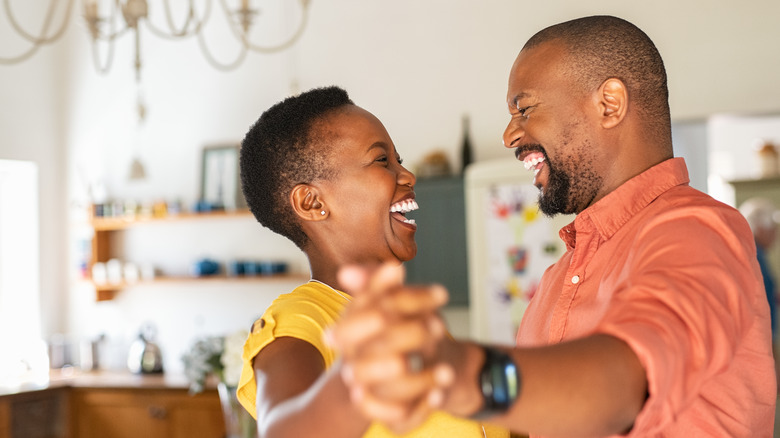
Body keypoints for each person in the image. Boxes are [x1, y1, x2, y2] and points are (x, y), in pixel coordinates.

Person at [327, 16, 777, 437]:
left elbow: (624, 382)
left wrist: (460, 373)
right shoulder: (559, 276)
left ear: (609, 103)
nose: (509, 135)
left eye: (523, 109)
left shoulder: (694, 231)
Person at [235, 86, 508, 438]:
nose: (408, 176)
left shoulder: (402, 322)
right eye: (382, 161)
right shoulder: (300, 320)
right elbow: (283, 429)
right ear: (312, 202)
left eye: (400, 160)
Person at [739, 197, 780, 385]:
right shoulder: (755, 254)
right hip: (760, 337)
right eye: (773, 228)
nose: (776, 234)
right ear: (761, 227)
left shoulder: (755, 252)